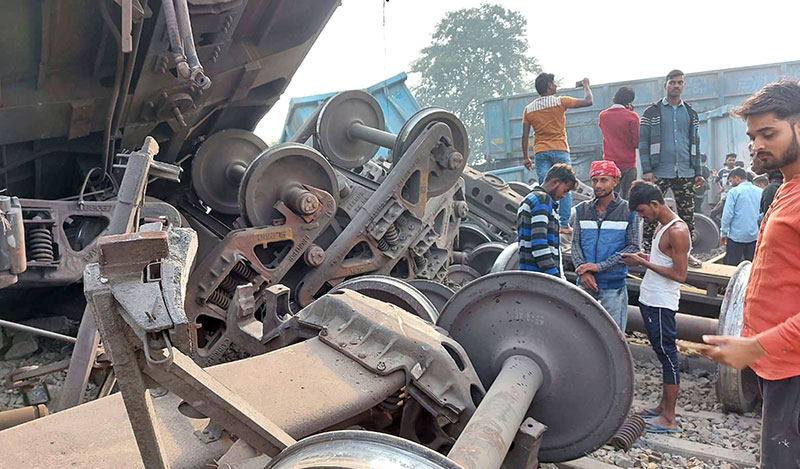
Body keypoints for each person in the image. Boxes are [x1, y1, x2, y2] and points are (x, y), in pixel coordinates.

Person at [701, 78, 800, 468]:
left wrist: (755, 347)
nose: (756, 145)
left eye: (768, 134)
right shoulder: (786, 187)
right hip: (779, 363)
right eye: (752, 136)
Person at [622, 181, 690, 434]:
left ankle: (669, 418)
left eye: (642, 211)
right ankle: (663, 407)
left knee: (668, 356)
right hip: (651, 299)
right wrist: (643, 258)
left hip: (662, 303)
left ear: (654, 204)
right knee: (662, 354)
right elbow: (664, 260)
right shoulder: (662, 226)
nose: (642, 216)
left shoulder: (678, 231)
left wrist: (644, 263)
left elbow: (680, 274)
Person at [639, 70, 704, 267]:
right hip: (659, 171)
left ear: (684, 85)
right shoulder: (652, 112)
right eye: (673, 82)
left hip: (685, 171)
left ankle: (686, 254)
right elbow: (643, 142)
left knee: (687, 216)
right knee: (651, 212)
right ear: (665, 85)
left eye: (680, 82)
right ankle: (647, 251)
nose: (676, 86)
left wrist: (698, 172)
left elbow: (696, 144)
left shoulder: (690, 113)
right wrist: (647, 169)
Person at [571, 160, 640, 330]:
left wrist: (599, 267)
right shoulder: (581, 210)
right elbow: (575, 244)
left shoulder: (628, 211)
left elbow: (633, 247)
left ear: (615, 181)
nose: (598, 185)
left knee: (613, 334)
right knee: (581, 332)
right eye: (594, 180)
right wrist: (584, 270)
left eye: (604, 180)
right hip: (585, 284)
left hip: (613, 286)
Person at [521, 73, 593, 233]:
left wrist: (526, 157)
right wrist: (586, 85)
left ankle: (546, 220)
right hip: (560, 149)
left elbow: (525, 136)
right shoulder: (560, 101)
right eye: (553, 83)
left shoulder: (528, 109)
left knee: (545, 188)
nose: (555, 85)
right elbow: (588, 101)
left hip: (541, 152)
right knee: (565, 186)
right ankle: (564, 224)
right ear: (549, 86)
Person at [517, 163, 578, 276]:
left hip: (529, 274)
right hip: (540, 277)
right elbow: (538, 243)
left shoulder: (530, 198)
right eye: (565, 190)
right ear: (555, 182)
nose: (564, 196)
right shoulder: (542, 200)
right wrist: (553, 275)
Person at [598, 86, 640, 200]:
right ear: (629, 102)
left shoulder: (603, 116)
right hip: (628, 164)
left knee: (609, 198)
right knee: (628, 198)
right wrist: (631, 113)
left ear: (615, 98)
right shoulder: (632, 117)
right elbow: (637, 142)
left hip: (609, 164)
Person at [720, 167, 762, 265]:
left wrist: (724, 233)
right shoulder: (760, 191)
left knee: (732, 266)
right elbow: (763, 213)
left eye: (731, 181)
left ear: (737, 178)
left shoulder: (734, 192)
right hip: (753, 236)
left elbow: (727, 214)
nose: (731, 184)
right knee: (751, 266)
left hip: (736, 237)